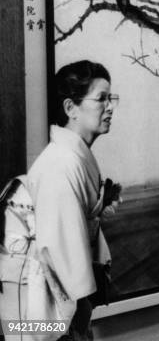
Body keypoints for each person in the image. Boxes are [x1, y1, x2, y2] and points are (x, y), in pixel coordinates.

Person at [26, 60, 119, 340]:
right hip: (50, 312)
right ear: (70, 108)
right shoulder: (60, 165)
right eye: (101, 99)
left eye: (111, 98)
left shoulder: (72, 158)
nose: (111, 107)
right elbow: (62, 263)